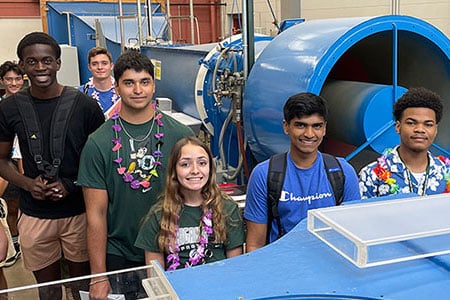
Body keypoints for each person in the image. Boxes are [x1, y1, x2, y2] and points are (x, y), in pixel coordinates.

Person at [77, 50, 194, 300]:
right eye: (129, 83)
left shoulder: (181, 136)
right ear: (116, 87)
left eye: (145, 82)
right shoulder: (98, 143)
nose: (138, 90)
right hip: (121, 254)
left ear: (154, 85)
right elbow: (95, 214)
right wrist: (98, 275)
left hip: (173, 248)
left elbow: (197, 196)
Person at [0, 32, 105, 299]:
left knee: (80, 288)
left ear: (58, 63)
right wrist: (27, 183)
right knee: (48, 291)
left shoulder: (85, 106)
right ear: (21, 65)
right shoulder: (10, 108)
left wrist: (71, 184)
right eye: (31, 62)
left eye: (47, 60)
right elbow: (1, 160)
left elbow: (100, 159)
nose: (40, 68)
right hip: (35, 214)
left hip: (79, 213)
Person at [244, 92, 361, 251]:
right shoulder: (265, 174)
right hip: (283, 267)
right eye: (301, 125)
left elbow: (354, 234)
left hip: (331, 265)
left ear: (325, 128)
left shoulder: (342, 172)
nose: (309, 134)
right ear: (286, 127)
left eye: (316, 126)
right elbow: (255, 244)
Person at [135, 136, 245, 270]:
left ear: (210, 168)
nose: (195, 170)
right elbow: (156, 279)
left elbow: (235, 269)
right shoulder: (159, 215)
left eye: (202, 163)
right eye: (185, 164)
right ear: (174, 170)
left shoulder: (228, 210)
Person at [359, 87, 450, 198]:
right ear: (398, 127)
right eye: (411, 123)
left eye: (428, 124)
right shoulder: (372, 175)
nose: (420, 129)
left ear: (436, 130)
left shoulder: (446, 171)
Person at [0, 60, 25, 267]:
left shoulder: (30, 103)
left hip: (29, 159)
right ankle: (15, 245)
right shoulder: (1, 108)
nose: (14, 82)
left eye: (17, 78)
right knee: (12, 206)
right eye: (9, 79)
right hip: (8, 161)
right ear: (2, 81)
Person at [78, 46, 120, 118]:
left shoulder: (122, 90)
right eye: (95, 64)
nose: (100, 67)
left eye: (104, 63)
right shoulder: (81, 93)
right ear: (89, 67)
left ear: (111, 66)